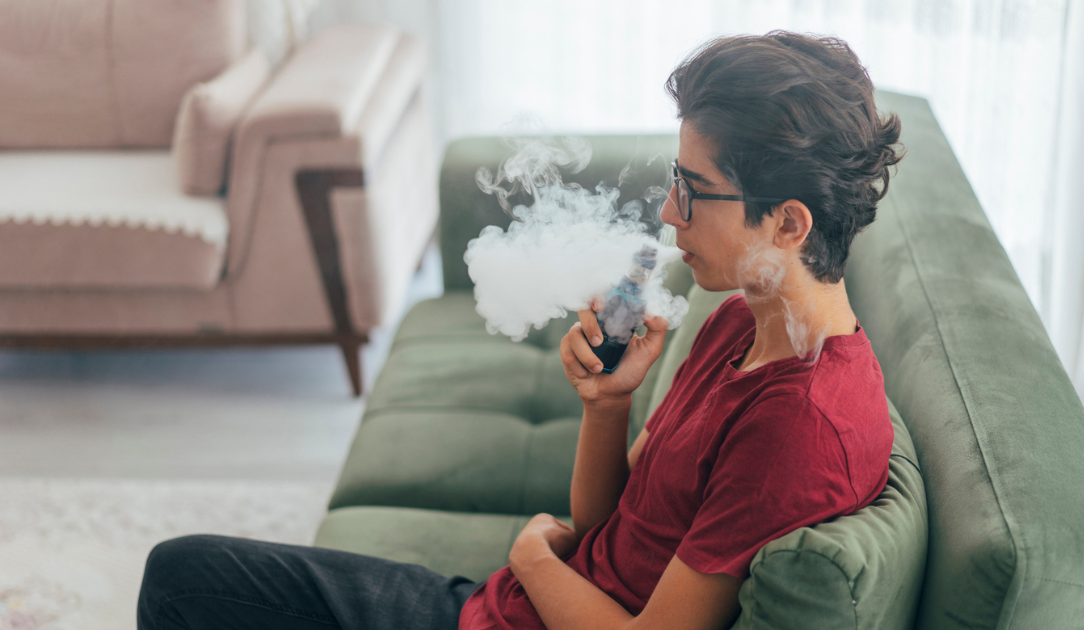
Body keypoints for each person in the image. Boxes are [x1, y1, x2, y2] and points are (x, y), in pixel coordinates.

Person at [136, 30, 903, 630]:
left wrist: (533, 560)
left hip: (516, 604)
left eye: (693, 190)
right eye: (675, 182)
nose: (669, 214)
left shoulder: (796, 425)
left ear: (788, 223)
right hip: (500, 608)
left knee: (182, 582)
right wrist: (606, 405)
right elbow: (612, 524)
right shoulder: (741, 323)